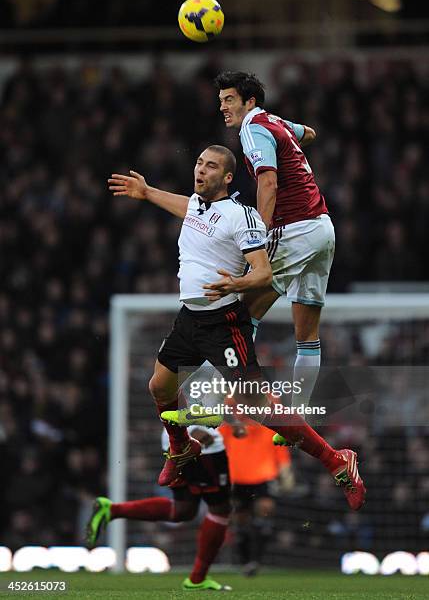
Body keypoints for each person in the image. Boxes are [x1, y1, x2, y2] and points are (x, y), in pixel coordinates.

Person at [108, 145, 366, 512]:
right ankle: (181, 447)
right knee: (159, 386)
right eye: (198, 163)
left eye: (210, 166)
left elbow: (262, 272)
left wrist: (234, 286)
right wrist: (147, 192)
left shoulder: (240, 216)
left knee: (260, 408)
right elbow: (187, 210)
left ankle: (335, 459)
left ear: (227, 177)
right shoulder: (199, 206)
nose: (200, 170)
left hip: (223, 324)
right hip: (190, 319)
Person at [214, 71, 336, 421]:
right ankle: (297, 418)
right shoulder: (272, 122)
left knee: (240, 315)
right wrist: (287, 141)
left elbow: (268, 180)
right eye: (221, 101)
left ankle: (221, 399)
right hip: (322, 228)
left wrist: (259, 235)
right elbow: (308, 134)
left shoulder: (252, 128)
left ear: (249, 101)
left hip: (293, 228)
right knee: (307, 334)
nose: (223, 107)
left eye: (229, 100)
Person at [86, 425, 232, 592]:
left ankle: (112, 510)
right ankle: (197, 579)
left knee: (183, 509)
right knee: (220, 509)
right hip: (201, 442)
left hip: (177, 438)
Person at [220, 421, 293, 576]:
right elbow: (219, 446)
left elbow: (281, 449)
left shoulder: (270, 424)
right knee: (240, 519)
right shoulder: (229, 421)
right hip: (236, 477)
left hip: (264, 477)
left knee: (265, 510)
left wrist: (286, 473)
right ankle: (246, 561)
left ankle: (257, 559)